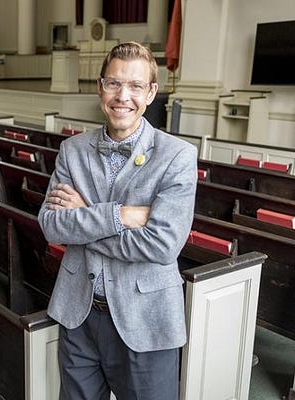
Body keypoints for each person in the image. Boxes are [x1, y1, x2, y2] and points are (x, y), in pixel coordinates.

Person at [38, 41, 198, 400]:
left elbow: (162, 246)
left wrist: (84, 218)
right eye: (113, 83)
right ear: (100, 87)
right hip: (78, 314)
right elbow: (51, 225)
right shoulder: (72, 150)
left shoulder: (178, 156)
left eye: (135, 86)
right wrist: (120, 215)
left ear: (151, 92)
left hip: (146, 320)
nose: (122, 96)